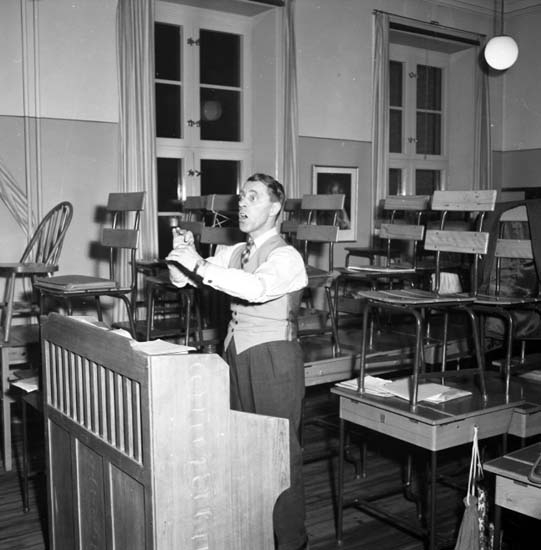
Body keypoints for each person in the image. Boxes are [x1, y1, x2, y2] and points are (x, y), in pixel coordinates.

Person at [166, 173, 309, 550]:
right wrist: (181, 255)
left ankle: (292, 543)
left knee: (280, 456)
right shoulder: (233, 252)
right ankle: (253, 535)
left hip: (273, 359)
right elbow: (183, 281)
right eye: (241, 196)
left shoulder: (285, 256)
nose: (242, 203)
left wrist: (198, 265)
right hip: (234, 355)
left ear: (275, 208)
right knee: (242, 450)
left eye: (253, 197)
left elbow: (256, 288)